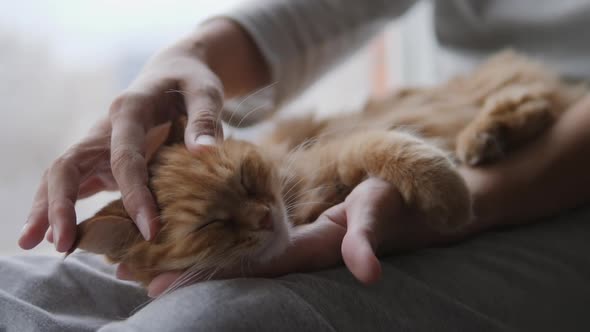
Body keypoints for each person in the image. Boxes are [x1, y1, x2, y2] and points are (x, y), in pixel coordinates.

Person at [4, 0, 590, 331]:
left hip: (559, 188)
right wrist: (187, 58)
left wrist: (460, 201)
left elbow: (372, 161)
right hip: (457, 115)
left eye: (251, 186)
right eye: (220, 224)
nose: (261, 215)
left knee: (214, 321)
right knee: (19, 287)